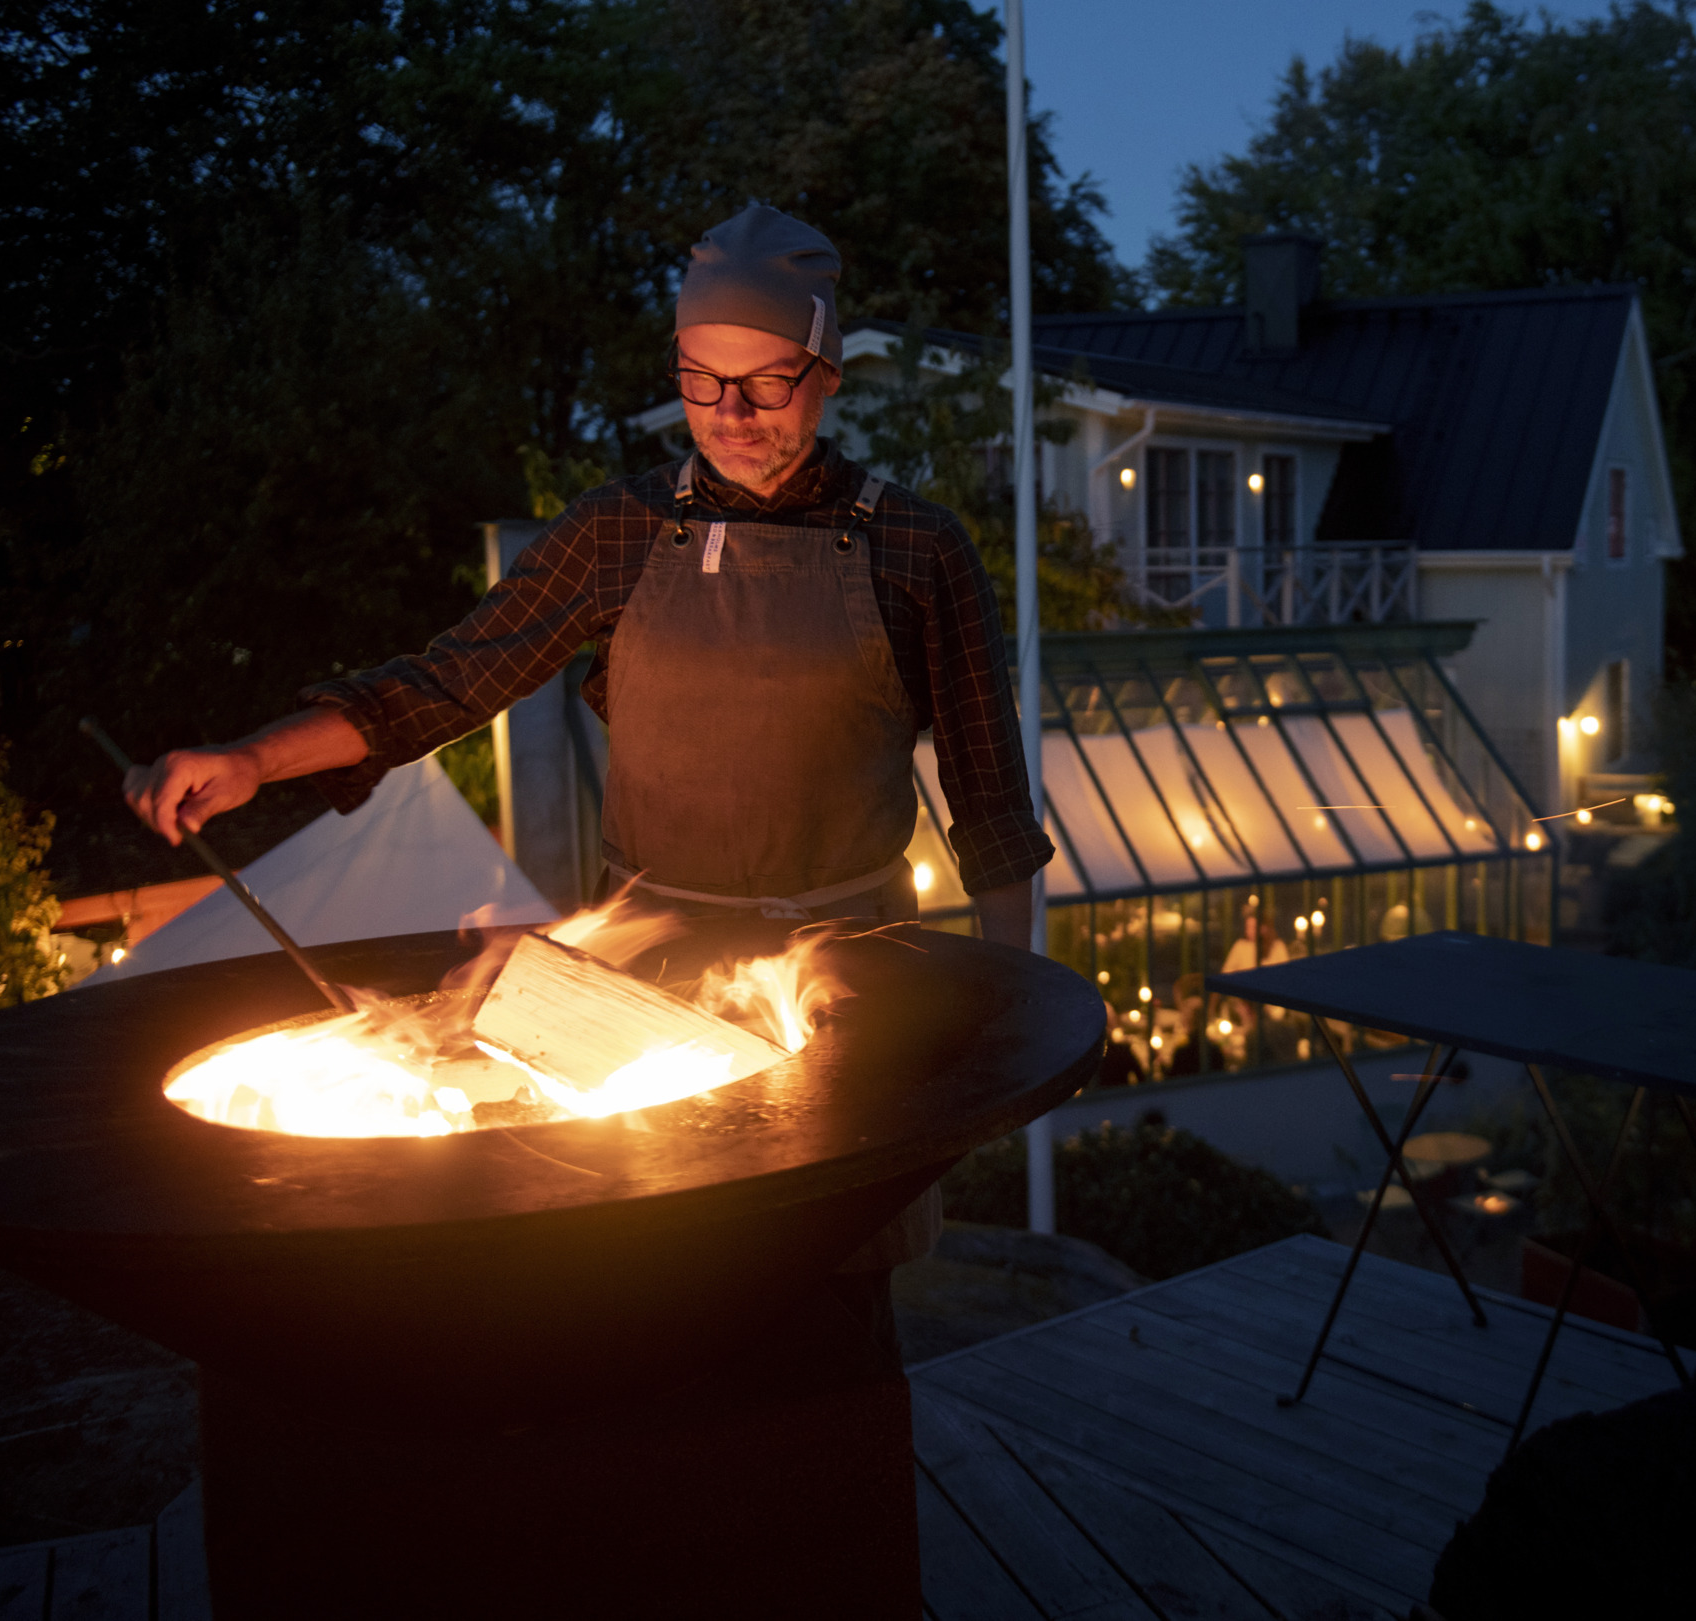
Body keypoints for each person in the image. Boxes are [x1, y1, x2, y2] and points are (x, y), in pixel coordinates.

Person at [119, 204, 1053, 1374]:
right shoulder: (619, 532)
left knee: (830, 1297)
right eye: (701, 383)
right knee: (647, 1279)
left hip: (849, 982)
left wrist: (1009, 1024)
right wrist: (254, 761)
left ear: (826, 374)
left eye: (766, 385)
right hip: (641, 979)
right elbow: (449, 680)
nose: (731, 416)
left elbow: (991, 804)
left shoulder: (916, 548)